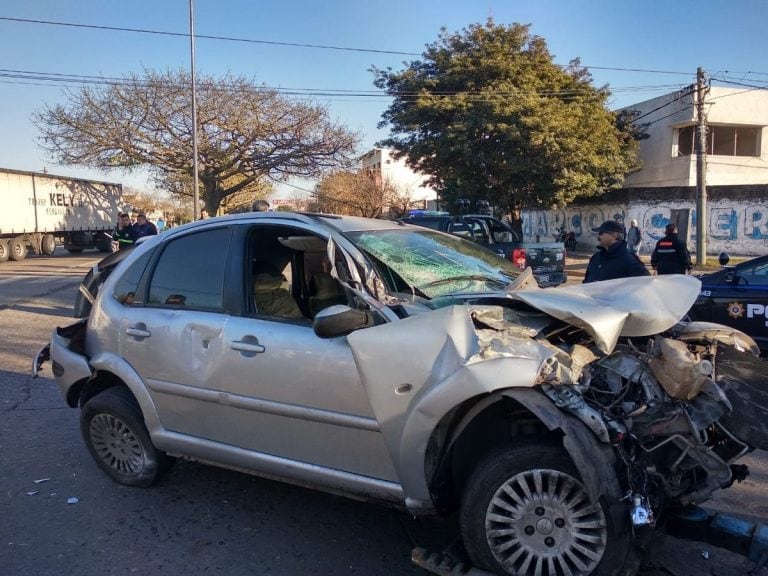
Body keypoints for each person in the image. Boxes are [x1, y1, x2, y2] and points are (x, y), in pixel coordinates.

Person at [583, 220, 649, 283]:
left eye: (601, 233)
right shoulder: (595, 258)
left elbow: (644, 284)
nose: (598, 236)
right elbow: (586, 282)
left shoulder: (629, 260)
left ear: (614, 235)